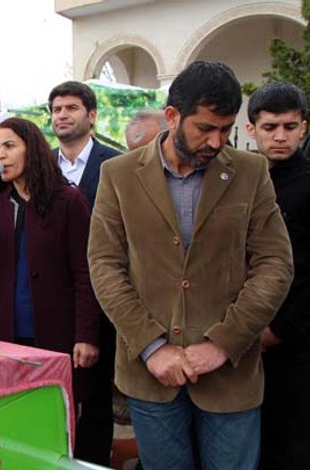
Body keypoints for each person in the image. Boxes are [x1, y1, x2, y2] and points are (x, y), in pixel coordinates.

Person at [87, 61, 294, 469]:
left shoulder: (250, 173)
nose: (217, 142)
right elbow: (105, 265)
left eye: (226, 129)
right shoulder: (119, 175)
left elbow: (275, 263)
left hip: (230, 377)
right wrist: (151, 346)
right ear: (172, 116)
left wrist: (223, 342)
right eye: (205, 128)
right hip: (150, 376)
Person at [0, 117, 100, 448]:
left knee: (56, 427)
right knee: (13, 424)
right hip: (6, 335)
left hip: (55, 334)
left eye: (10, 146)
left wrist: (86, 334)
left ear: (32, 149)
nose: (1, 156)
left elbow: (86, 271)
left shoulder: (68, 200)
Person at [49, 80, 119, 464]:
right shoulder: (40, 167)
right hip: (53, 298)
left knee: (95, 397)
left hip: (103, 296)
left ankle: (93, 461)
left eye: (71, 108)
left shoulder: (116, 164)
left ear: (91, 116)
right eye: (57, 109)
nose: (62, 115)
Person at [246, 81, 310, 470]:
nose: (280, 136)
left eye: (289, 126)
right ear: (252, 129)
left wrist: (279, 329)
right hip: (242, 338)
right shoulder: (239, 181)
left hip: (296, 343)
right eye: (270, 127)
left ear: (304, 126)